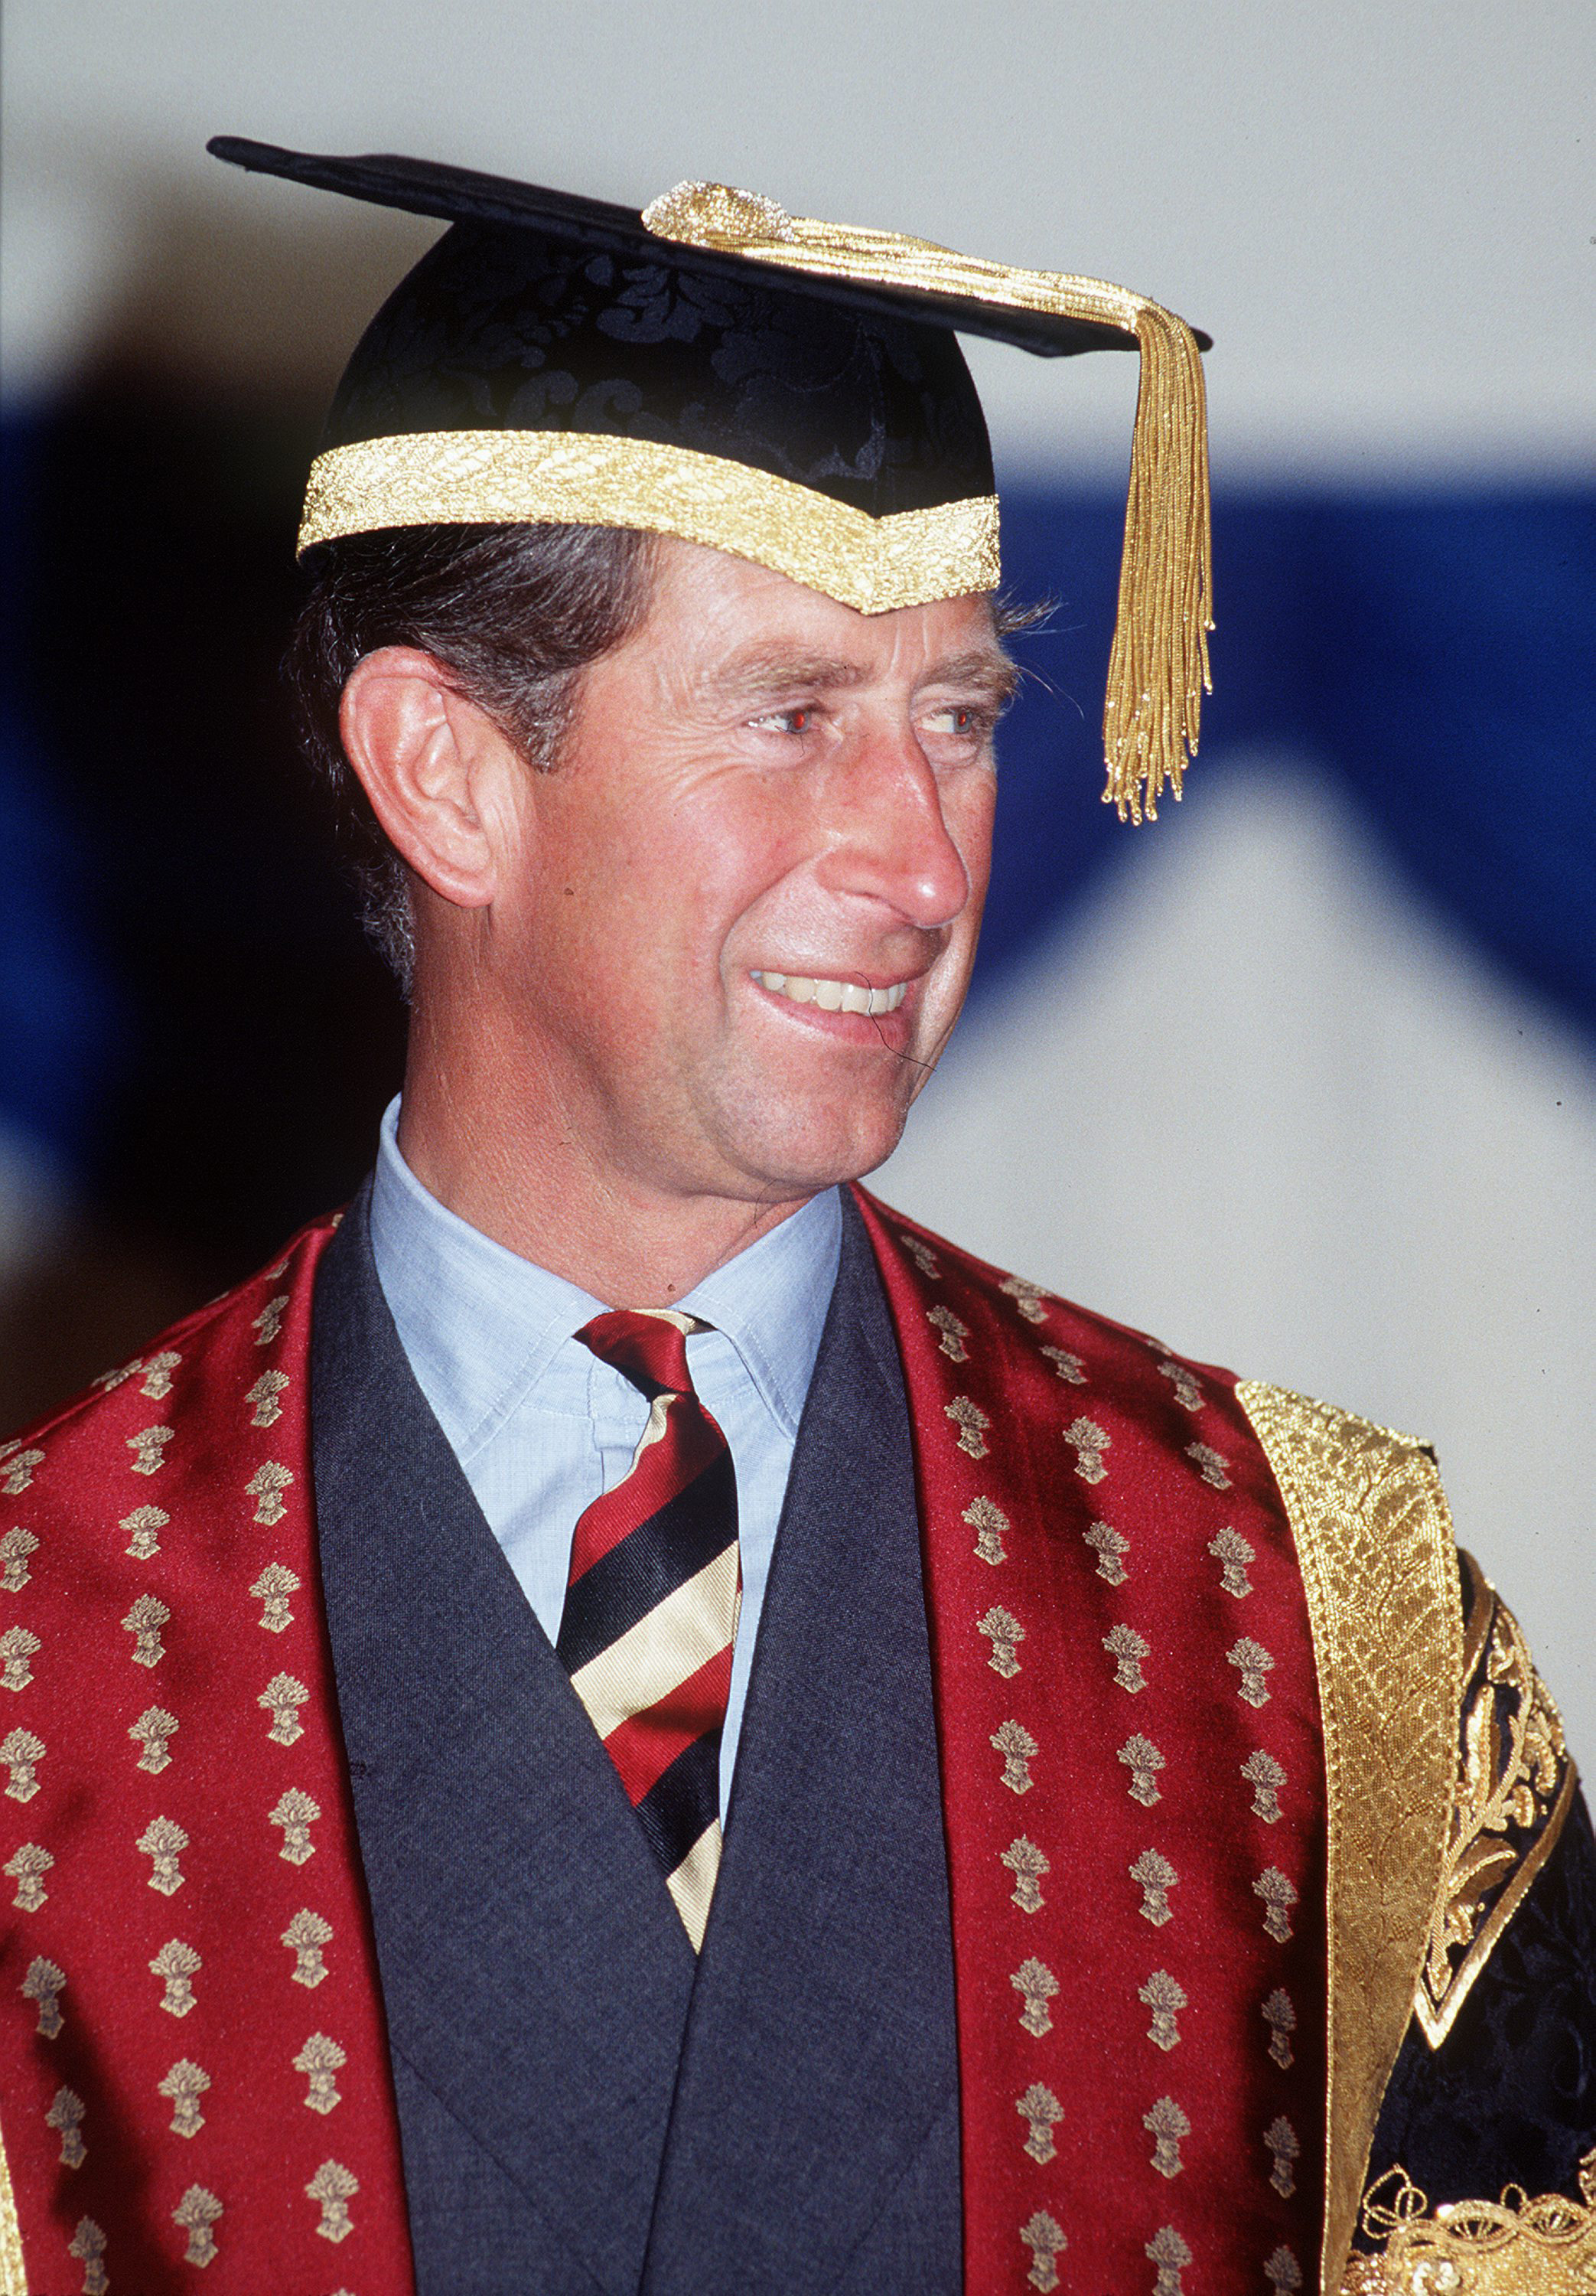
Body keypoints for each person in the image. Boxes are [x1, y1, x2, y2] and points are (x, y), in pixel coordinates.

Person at [0, 140, 1591, 2296]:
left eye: (956, 721)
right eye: (793, 719)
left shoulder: (1321, 1628)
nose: (926, 861)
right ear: (446, 772)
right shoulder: (35, 1660)